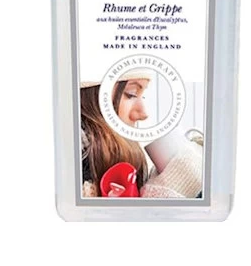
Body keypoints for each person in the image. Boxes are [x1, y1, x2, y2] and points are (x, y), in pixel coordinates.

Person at [80, 70, 202, 198]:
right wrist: (162, 195)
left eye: (142, 96)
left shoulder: (114, 155)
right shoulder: (77, 156)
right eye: (131, 94)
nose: (143, 113)